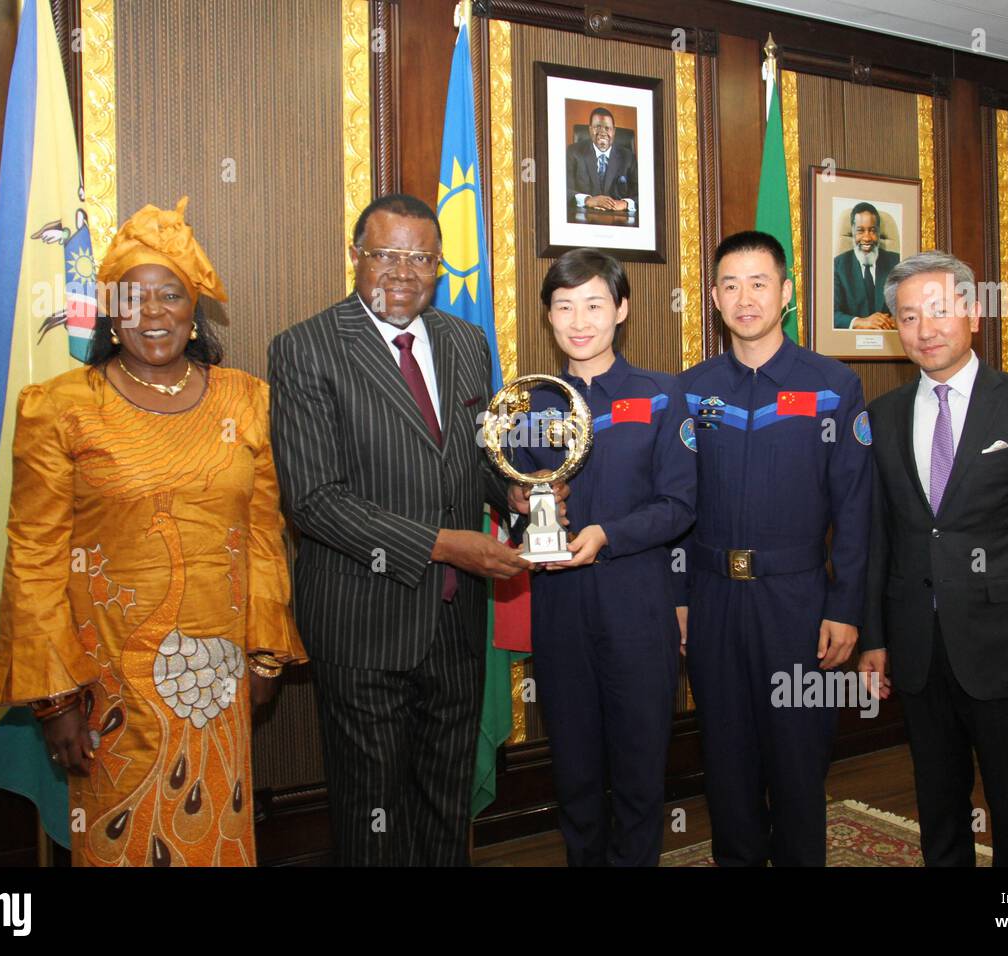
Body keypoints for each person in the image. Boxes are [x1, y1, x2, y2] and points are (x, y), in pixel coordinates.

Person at [0, 197, 307, 867]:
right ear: (110, 311)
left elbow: (264, 532)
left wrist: (266, 651)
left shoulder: (247, 399)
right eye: (133, 298)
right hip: (106, 689)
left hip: (216, 686)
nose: (152, 312)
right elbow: (34, 556)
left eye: (171, 296)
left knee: (214, 832)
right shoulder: (61, 408)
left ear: (194, 311)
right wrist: (53, 699)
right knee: (122, 840)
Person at [268, 193, 542, 866]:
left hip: (454, 623)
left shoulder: (464, 342)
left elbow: (474, 458)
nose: (403, 272)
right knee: (374, 816)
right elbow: (314, 500)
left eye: (421, 257)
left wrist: (515, 495)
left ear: (439, 266)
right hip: (363, 623)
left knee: (445, 804)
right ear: (356, 256)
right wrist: (446, 544)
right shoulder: (305, 348)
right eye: (386, 254)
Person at [858, 251, 1008, 866]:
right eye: (907, 317)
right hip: (918, 645)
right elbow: (881, 537)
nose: (925, 329)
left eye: (937, 311)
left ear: (973, 312)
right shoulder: (881, 416)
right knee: (937, 799)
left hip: (1006, 642)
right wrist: (874, 637)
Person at [676, 230, 871, 866]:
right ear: (713, 298)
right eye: (730, 285)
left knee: (797, 762)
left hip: (798, 605)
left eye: (760, 283)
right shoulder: (689, 390)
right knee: (726, 765)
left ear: (785, 293)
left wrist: (844, 607)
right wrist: (680, 598)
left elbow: (856, 508)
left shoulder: (834, 385)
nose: (745, 297)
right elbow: (673, 508)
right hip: (711, 602)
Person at [513, 248, 695, 866]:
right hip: (559, 613)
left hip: (638, 610)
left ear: (621, 309)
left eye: (594, 304)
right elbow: (512, 494)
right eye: (564, 306)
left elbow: (679, 505)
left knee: (642, 779)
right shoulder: (527, 406)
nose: (579, 320)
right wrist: (522, 509)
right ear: (549, 317)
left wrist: (606, 535)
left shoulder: (663, 396)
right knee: (576, 779)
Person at [833, 202, 900, 330]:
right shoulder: (837, 266)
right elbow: (831, 314)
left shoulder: (897, 263)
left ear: (879, 232)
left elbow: (908, 307)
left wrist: (895, 320)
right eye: (860, 230)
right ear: (852, 231)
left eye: (872, 230)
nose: (867, 237)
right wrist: (861, 322)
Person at [566, 107, 638, 214]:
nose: (602, 133)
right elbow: (563, 189)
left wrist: (625, 203)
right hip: (584, 217)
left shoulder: (628, 157)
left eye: (607, 128)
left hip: (619, 219)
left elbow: (643, 194)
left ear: (614, 131)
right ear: (590, 129)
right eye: (597, 127)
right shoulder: (573, 152)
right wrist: (587, 200)